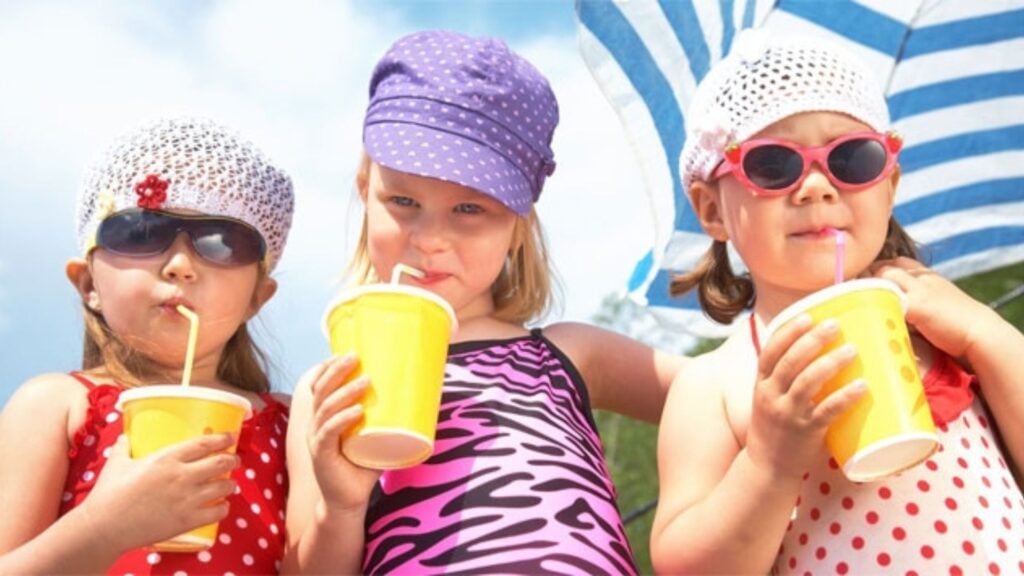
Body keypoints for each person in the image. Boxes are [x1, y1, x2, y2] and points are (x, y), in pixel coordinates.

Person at [282, 29, 685, 575]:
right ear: (364, 189)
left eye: (470, 210)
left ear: (518, 228)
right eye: (403, 200)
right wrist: (342, 505)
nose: (429, 238)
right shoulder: (326, 389)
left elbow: (717, 397)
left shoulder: (568, 354)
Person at [649, 29, 1024, 574]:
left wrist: (988, 334)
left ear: (889, 186)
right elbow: (688, 566)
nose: (818, 187)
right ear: (711, 210)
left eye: (852, 159)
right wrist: (769, 465)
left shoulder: (941, 326)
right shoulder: (715, 384)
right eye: (773, 165)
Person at [0, 117, 295, 574]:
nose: (180, 265)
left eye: (222, 243)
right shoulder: (55, 406)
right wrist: (105, 526)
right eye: (140, 232)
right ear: (87, 283)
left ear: (258, 296)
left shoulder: (293, 427)